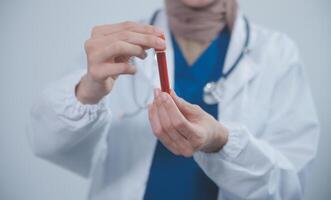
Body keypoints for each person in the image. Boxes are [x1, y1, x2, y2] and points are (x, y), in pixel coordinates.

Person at [28, 0, 320, 199]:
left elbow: (289, 187)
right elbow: (44, 142)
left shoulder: (277, 54)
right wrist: (87, 92)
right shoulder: (115, 44)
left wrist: (222, 141)